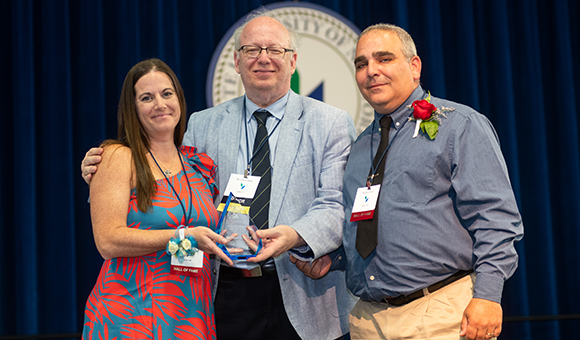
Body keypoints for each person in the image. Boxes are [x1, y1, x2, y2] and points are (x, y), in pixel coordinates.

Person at [81, 10, 357, 340]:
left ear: (293, 60)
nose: (263, 59)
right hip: (220, 295)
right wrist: (101, 176)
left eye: (275, 50)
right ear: (237, 62)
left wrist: (293, 235)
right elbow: (160, 182)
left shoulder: (330, 122)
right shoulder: (202, 124)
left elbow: (336, 204)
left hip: (301, 292)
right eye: (252, 50)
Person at [296, 23, 524, 340]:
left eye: (384, 59)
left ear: (414, 66)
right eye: (361, 64)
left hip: (441, 315)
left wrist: (488, 294)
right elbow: (367, 225)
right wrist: (334, 259)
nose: (371, 71)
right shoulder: (361, 145)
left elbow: (495, 218)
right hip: (367, 319)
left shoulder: (458, 125)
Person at [81, 58, 237, 340]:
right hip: (130, 316)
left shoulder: (199, 165)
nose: (160, 104)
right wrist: (182, 235)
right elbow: (107, 241)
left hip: (192, 314)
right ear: (133, 108)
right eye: (146, 98)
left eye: (167, 94)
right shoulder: (118, 157)